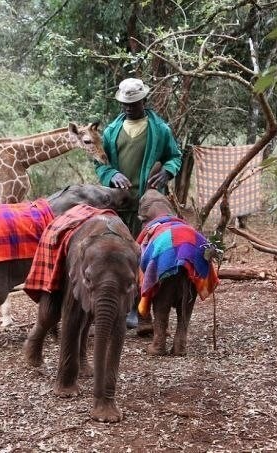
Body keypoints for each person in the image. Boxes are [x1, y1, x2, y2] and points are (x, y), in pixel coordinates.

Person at [94, 77, 182, 329]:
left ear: (144, 100)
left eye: (133, 103)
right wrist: (111, 174)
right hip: (118, 204)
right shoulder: (111, 131)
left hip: (147, 205)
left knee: (145, 255)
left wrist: (167, 171)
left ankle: (141, 311)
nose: (128, 108)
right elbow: (100, 162)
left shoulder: (159, 129)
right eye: (125, 103)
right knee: (117, 255)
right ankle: (118, 308)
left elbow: (174, 156)